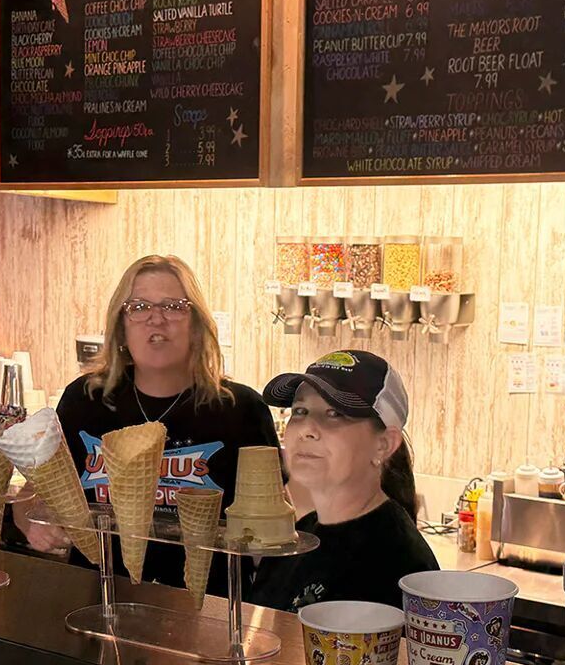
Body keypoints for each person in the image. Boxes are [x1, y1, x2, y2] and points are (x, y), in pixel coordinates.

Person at [24, 255, 278, 592]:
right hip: (97, 599)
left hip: (209, 611)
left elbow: (274, 523)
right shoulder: (84, 401)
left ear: (197, 325)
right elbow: (32, 495)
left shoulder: (241, 410)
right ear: (121, 327)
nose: (156, 319)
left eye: (174, 306)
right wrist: (35, 522)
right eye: (139, 306)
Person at [246, 350, 437, 614]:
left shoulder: (394, 563)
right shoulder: (300, 536)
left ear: (384, 444)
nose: (307, 430)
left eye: (334, 414)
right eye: (300, 411)